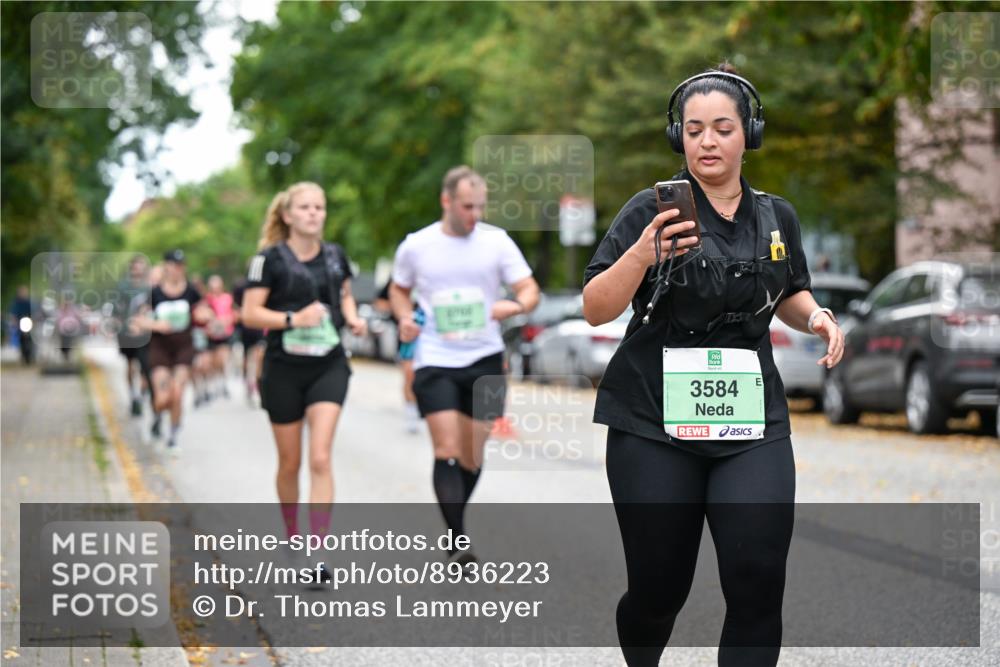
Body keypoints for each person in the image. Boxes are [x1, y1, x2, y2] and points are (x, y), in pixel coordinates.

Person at [582, 65, 845, 667]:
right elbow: (596, 307)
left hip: (750, 424)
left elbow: (790, 293)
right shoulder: (650, 210)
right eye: (694, 129)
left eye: (722, 127)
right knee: (658, 590)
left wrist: (818, 318)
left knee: (757, 581)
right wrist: (645, 252)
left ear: (747, 134)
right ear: (679, 137)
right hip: (652, 423)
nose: (707, 141)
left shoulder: (778, 217)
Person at [390, 165, 539, 565]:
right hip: (434, 358)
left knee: (473, 456)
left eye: (480, 206)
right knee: (448, 449)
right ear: (447, 202)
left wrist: (518, 303)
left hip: (485, 358)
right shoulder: (417, 246)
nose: (475, 214)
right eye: (467, 206)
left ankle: (455, 524)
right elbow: (398, 290)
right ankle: (457, 540)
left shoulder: (497, 243)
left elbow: (529, 288)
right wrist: (405, 318)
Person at [242, 182, 366, 583]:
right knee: (290, 462)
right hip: (283, 368)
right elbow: (250, 314)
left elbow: (344, 296)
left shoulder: (335, 257)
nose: (315, 213)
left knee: (320, 458)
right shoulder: (268, 260)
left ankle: (318, 551)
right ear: (288, 215)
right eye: (306, 207)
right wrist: (293, 320)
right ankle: (293, 533)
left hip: (328, 365)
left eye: (320, 207)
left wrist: (354, 316)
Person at [132, 250, 210, 451]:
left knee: (177, 393)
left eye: (180, 265)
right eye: (173, 265)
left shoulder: (191, 291)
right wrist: (156, 325)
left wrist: (205, 315)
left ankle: (174, 435)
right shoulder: (154, 294)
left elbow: (205, 311)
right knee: (162, 399)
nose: (177, 269)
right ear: (166, 266)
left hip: (184, 348)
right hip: (160, 350)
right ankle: (158, 414)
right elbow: (137, 322)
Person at [374, 280, 422, 433]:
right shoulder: (401, 275)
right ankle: (412, 414)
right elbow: (380, 302)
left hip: (437, 335)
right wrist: (403, 315)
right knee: (410, 375)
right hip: (409, 335)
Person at [115, 255, 153, 416]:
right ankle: (133, 395)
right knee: (130, 365)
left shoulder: (149, 288)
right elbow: (117, 309)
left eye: (141, 266)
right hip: (126, 332)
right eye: (136, 266)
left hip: (144, 332)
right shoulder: (123, 287)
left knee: (145, 367)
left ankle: (141, 397)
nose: (138, 269)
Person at [232, 270, 267, 406]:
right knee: (247, 357)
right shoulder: (240, 285)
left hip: (259, 324)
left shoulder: (265, 282)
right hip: (246, 325)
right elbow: (234, 305)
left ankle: (257, 386)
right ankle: (248, 382)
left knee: (259, 355)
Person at [204, 275, 237, 400]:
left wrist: (227, 320)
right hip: (212, 334)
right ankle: (216, 382)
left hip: (225, 333)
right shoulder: (207, 299)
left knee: (222, 359)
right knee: (213, 362)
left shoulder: (228, 298)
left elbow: (234, 313)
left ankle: (223, 382)